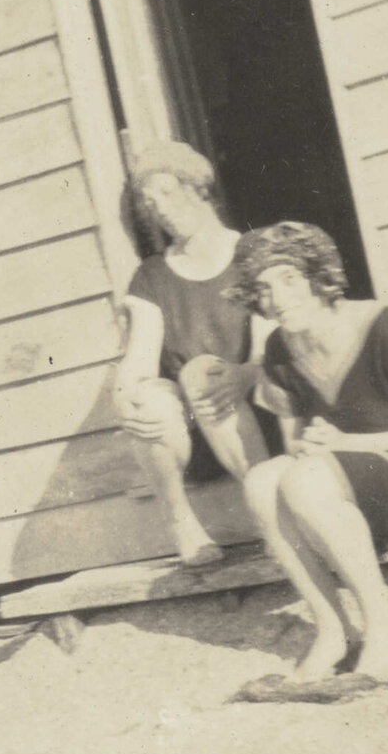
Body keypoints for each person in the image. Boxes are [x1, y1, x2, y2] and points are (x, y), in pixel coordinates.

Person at [230, 222, 388, 683]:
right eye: (263, 289)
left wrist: (346, 445)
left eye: (289, 279)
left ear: (318, 276)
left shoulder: (381, 325)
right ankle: (333, 629)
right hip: (346, 488)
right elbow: (293, 449)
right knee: (262, 481)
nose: (278, 299)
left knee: (306, 478)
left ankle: (384, 626)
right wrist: (312, 446)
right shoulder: (280, 347)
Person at [112, 141, 276, 567]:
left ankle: (275, 515)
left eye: (168, 192)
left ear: (199, 187)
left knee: (204, 373)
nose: (160, 209)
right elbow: (139, 361)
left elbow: (267, 350)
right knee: (145, 395)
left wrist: (244, 374)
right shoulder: (152, 277)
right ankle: (181, 521)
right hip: (197, 435)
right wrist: (126, 395)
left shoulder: (254, 250)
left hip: (263, 415)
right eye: (150, 202)